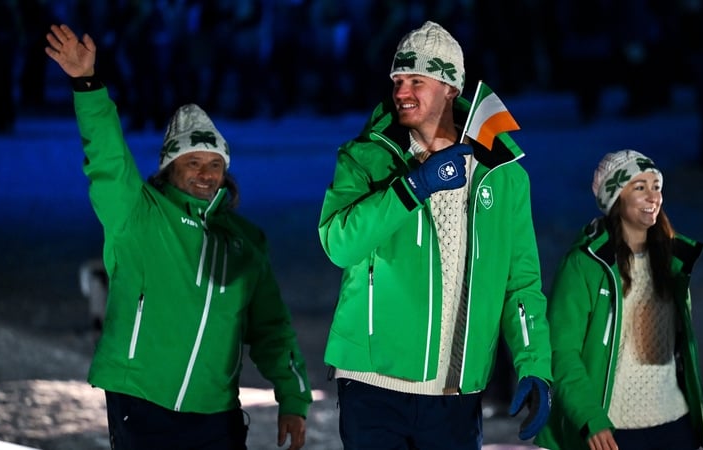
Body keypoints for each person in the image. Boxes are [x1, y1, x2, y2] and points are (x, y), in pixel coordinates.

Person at [44, 23, 312, 450]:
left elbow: (271, 328)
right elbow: (108, 159)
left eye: (215, 164)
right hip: (142, 401)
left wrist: (293, 398)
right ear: (170, 167)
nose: (206, 175)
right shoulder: (138, 213)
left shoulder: (245, 242)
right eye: (193, 163)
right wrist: (86, 83)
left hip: (215, 412)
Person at [317, 20, 552, 449]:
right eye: (397, 80)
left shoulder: (503, 177)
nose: (401, 91)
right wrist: (412, 188)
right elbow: (339, 243)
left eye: (416, 80)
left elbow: (521, 284)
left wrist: (534, 363)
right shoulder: (366, 158)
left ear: (450, 88)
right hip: (372, 385)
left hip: (455, 394)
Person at [534, 150, 703, 450]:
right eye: (639, 187)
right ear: (615, 198)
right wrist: (590, 418)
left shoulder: (674, 262)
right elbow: (561, 352)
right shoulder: (585, 265)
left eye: (656, 186)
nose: (653, 196)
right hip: (612, 430)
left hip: (675, 423)